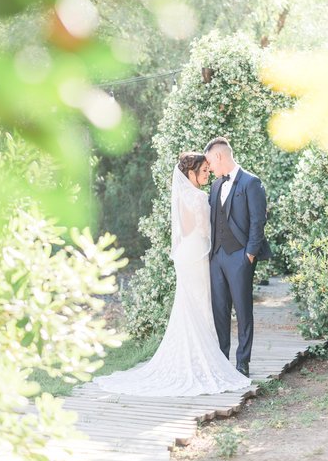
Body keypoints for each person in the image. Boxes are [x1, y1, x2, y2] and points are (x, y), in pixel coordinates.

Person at [94, 152, 250, 397]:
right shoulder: (198, 197)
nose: (208, 175)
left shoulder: (181, 197)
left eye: (209, 170)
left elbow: (184, 229)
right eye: (204, 171)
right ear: (191, 173)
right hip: (197, 252)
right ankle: (202, 361)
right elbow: (204, 230)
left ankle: (196, 357)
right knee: (199, 305)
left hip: (186, 253)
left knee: (189, 305)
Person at [204, 137, 271, 378]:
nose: (209, 167)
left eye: (210, 161)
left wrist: (250, 254)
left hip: (240, 257)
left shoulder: (251, 182)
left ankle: (243, 362)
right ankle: (222, 360)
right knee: (219, 310)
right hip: (217, 257)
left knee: (243, 310)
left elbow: (258, 220)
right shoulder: (214, 186)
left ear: (219, 157)